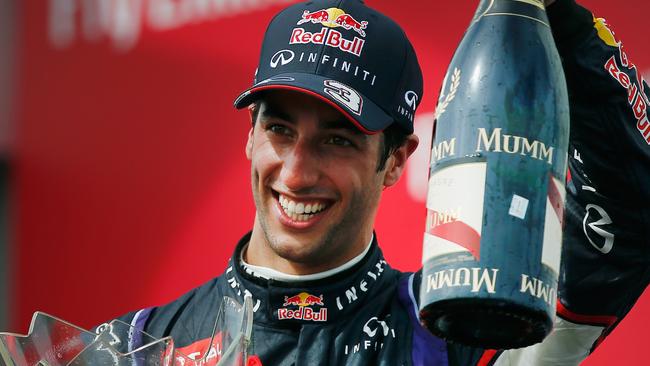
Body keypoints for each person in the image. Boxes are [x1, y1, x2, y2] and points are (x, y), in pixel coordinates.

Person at [112, 0, 650, 364]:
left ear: (396, 160)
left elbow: (627, 218)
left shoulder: (463, 337)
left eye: (338, 139)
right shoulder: (137, 345)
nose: (296, 173)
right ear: (250, 135)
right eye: (279, 128)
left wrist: (566, 24)